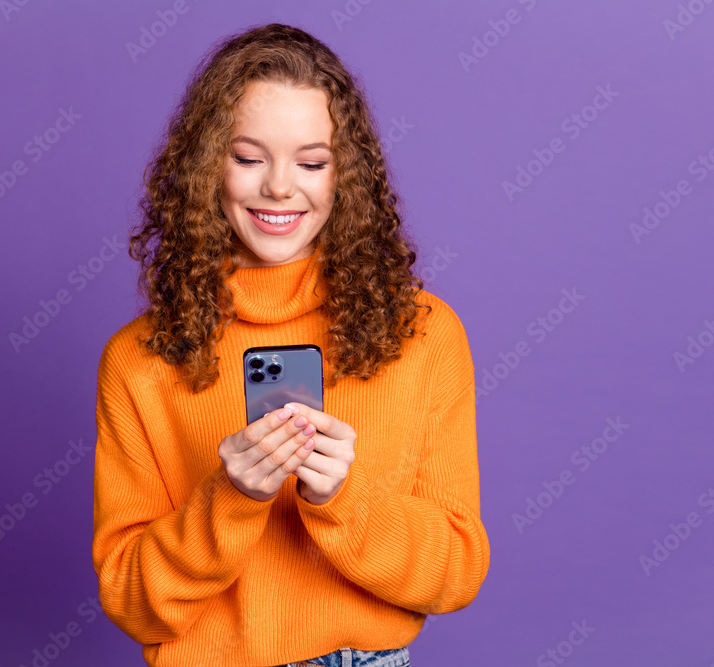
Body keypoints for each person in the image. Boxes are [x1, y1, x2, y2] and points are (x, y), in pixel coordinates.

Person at [91, 22, 490, 667]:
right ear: (203, 167)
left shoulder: (423, 332)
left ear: (346, 178)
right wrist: (231, 501)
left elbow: (456, 574)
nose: (280, 186)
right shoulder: (138, 359)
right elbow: (131, 601)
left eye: (311, 162)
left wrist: (342, 500)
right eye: (248, 157)